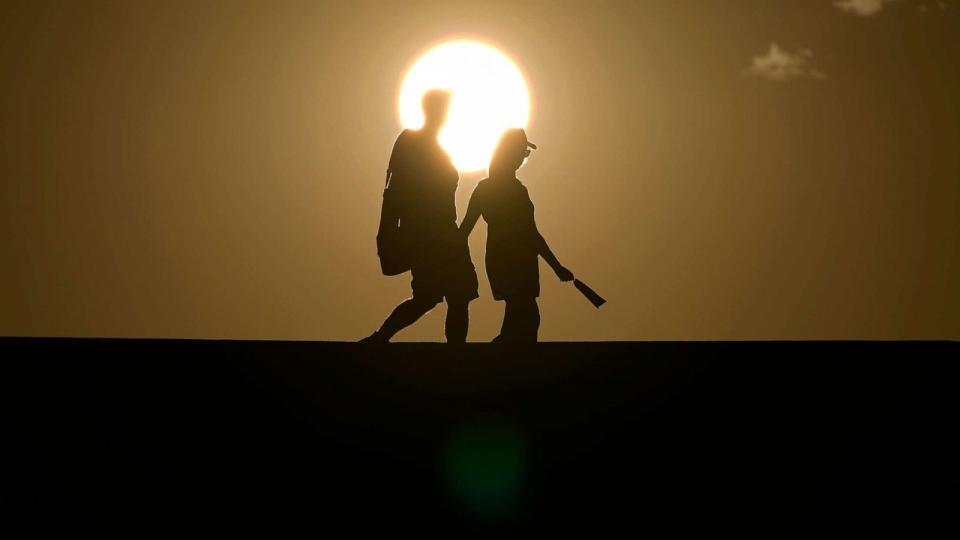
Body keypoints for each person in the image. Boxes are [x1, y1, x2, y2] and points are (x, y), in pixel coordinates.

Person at [361, 90, 479, 343]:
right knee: (433, 296)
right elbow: (395, 194)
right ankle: (380, 338)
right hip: (428, 234)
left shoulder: (435, 146)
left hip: (446, 231)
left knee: (454, 296)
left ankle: (453, 353)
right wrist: (391, 234)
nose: (445, 114)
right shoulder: (413, 143)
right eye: (443, 109)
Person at [459, 128, 573, 342]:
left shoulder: (484, 188)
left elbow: (463, 231)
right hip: (516, 259)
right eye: (522, 152)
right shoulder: (515, 192)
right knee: (526, 315)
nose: (523, 158)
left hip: (500, 257)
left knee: (522, 313)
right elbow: (531, 235)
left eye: (525, 154)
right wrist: (556, 267)